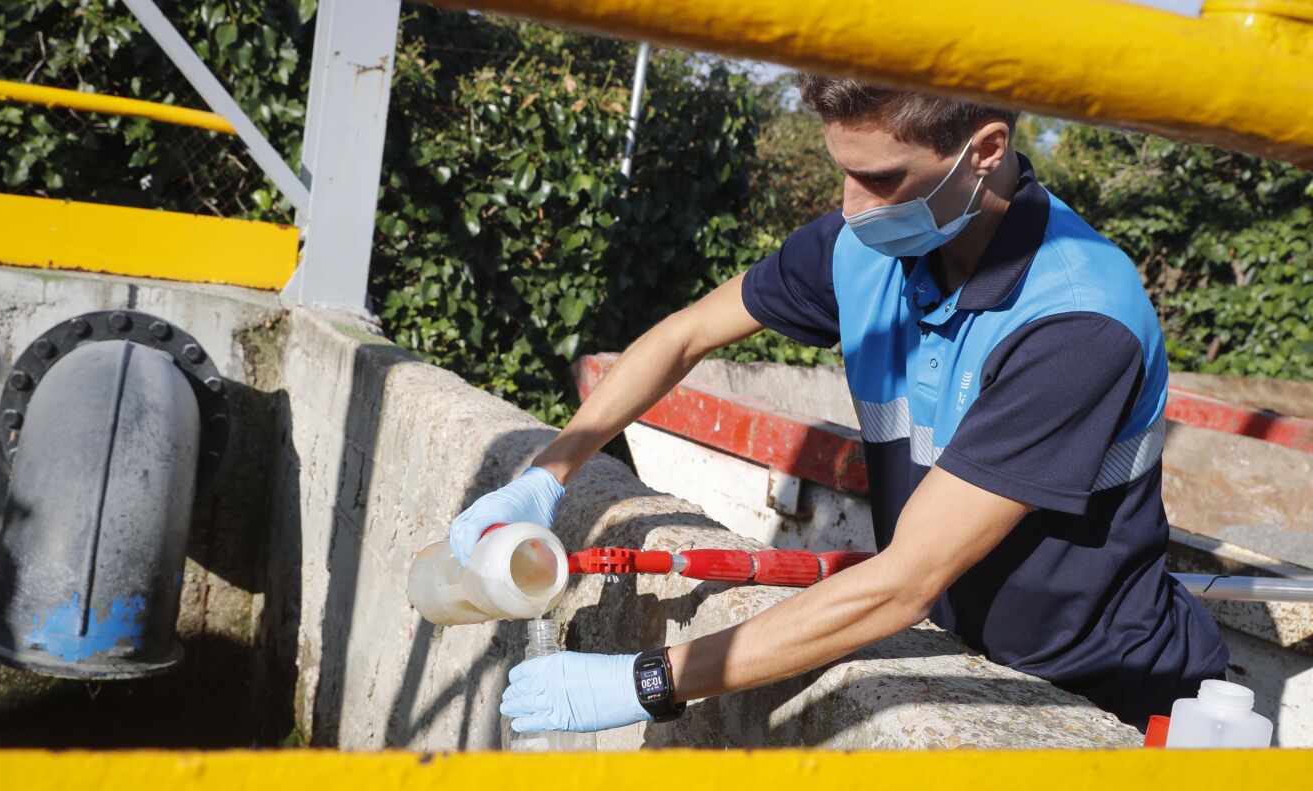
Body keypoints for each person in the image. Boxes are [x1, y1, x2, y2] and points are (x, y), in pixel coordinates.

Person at [455, 76, 1229, 736]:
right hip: (962, 648)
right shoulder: (867, 249)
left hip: (1103, 694)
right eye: (843, 173)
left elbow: (903, 583)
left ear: (986, 151)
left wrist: (648, 682)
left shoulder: (1076, 322)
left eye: (884, 179)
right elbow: (684, 337)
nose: (853, 206)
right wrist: (545, 476)